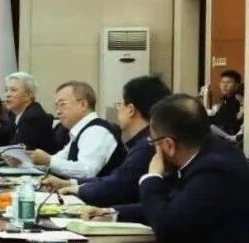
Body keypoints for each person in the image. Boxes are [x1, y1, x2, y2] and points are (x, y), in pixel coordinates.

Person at [87, 94, 249, 243]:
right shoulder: (207, 153)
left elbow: (168, 228)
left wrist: (152, 177)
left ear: (169, 145)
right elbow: (171, 205)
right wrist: (113, 213)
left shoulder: (214, 170)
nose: (153, 150)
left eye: (153, 142)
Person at [42, 75, 171, 207]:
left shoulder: (146, 144)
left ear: (131, 110)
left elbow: (116, 185)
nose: (117, 110)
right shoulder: (142, 142)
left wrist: (76, 189)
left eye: (120, 104)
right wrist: (70, 183)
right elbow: (114, 178)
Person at [29, 81, 125, 179]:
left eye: (62, 104)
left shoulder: (96, 131)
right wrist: (30, 161)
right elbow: (60, 159)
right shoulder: (81, 131)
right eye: (56, 106)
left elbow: (87, 171)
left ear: (83, 105)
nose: (58, 112)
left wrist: (48, 160)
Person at [3, 72, 57, 152]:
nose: (7, 94)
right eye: (6, 90)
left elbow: (18, 152)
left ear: (28, 95)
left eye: (13, 90)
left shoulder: (32, 117)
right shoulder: (13, 115)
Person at [209, 70, 244, 137]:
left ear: (237, 85)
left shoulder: (238, 101)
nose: (224, 85)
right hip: (221, 132)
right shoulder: (225, 100)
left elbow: (229, 123)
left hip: (230, 136)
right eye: (222, 82)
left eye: (228, 82)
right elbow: (218, 118)